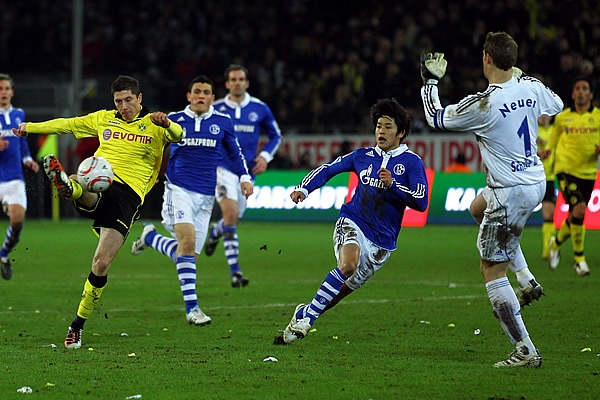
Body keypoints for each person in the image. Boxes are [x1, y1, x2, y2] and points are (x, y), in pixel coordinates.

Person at [420, 32, 564, 367]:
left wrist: (430, 81)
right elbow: (555, 105)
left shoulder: (483, 103)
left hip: (509, 190)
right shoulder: (530, 87)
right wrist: (523, 79)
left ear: (487, 58)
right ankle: (526, 278)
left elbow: (436, 117)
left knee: (491, 269)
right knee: (476, 209)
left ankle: (525, 349)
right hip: (535, 181)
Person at [12, 75, 183, 349]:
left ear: (140, 99)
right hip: (101, 180)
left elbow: (179, 135)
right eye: (118, 101)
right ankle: (69, 187)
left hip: (128, 197)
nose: (124, 105)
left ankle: (77, 325)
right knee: (83, 179)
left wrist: (168, 124)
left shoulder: (155, 124)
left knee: (101, 265)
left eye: (128, 100)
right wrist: (29, 127)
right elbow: (68, 125)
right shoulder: (104, 118)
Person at [274, 98, 429, 345]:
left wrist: (394, 186)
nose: (381, 131)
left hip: (382, 244)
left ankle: (304, 313)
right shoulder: (363, 156)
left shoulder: (411, 163)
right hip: (353, 221)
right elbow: (328, 169)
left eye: (388, 126)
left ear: (401, 133)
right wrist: (304, 189)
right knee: (347, 266)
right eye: (379, 126)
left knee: (334, 297)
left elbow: (421, 202)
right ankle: (308, 321)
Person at [130, 75, 253, 325]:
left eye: (206, 92)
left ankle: (150, 238)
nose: (200, 96)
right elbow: (151, 146)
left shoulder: (222, 122)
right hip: (178, 190)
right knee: (186, 244)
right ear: (189, 96)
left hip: (205, 196)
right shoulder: (174, 120)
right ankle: (193, 309)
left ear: (212, 98)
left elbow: (235, 152)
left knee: (186, 257)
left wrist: (244, 177)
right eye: (196, 91)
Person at [204, 64, 283, 288]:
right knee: (230, 216)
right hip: (222, 169)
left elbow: (276, 135)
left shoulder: (260, 108)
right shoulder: (216, 108)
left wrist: (265, 156)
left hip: (247, 174)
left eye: (241, 79)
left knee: (232, 219)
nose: (237, 82)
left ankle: (215, 233)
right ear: (227, 84)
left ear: (247, 83)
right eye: (233, 79)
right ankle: (236, 272)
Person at [547, 77, 600, 276]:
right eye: (577, 88)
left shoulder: (598, 117)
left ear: (591, 95)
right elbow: (552, 140)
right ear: (573, 94)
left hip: (588, 171)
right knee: (579, 209)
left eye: (584, 88)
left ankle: (556, 243)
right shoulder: (562, 118)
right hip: (565, 169)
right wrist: (547, 154)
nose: (580, 92)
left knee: (577, 214)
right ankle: (579, 260)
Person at [0, 73, 40, 280]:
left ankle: (4, 254)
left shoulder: (19, 114)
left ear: (12, 91)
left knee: (17, 221)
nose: (3, 92)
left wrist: (27, 159)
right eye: (0, 89)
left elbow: (22, 143)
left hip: (13, 176)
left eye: (6, 88)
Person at [536, 114, 557, 260]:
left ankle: (548, 250)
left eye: (547, 114)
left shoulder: (555, 131)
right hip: (530, 177)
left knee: (549, 215)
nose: (544, 117)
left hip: (548, 178)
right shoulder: (531, 129)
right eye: (541, 114)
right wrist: (537, 153)